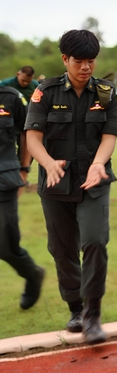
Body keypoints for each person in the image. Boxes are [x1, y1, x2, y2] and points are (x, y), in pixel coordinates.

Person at [24, 29, 117, 344]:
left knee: (94, 241)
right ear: (65, 59)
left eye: (91, 61)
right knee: (62, 249)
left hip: (94, 181)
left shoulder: (106, 92)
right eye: (79, 61)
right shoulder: (45, 92)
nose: (86, 68)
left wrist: (97, 163)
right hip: (55, 184)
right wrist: (48, 163)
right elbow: (32, 138)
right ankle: (76, 308)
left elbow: (109, 136)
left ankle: (93, 313)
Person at [0, 84, 44, 310]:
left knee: (6, 244)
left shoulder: (10, 98)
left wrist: (24, 169)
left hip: (4, 179)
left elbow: (27, 132)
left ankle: (33, 274)